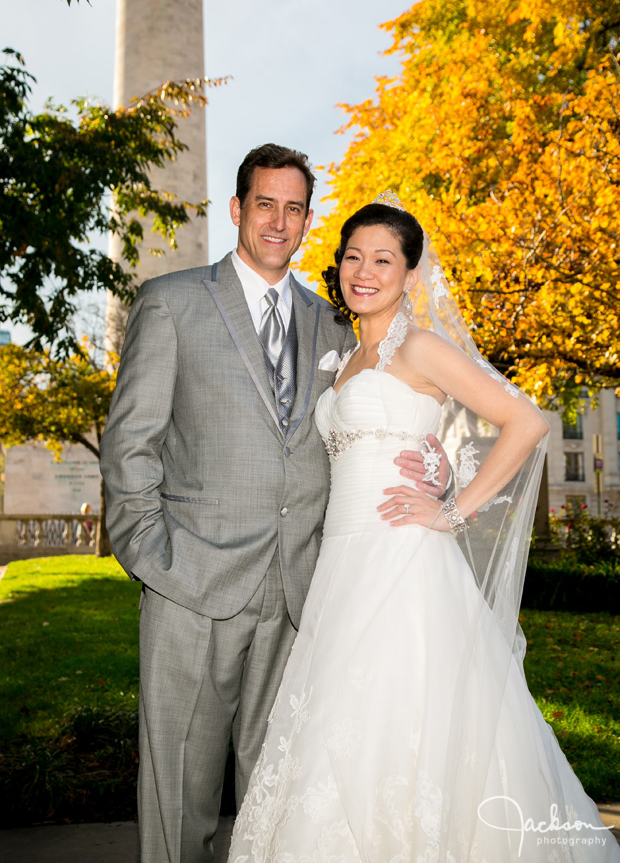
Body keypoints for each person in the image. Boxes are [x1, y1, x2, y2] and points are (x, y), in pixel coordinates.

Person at [227, 195, 620, 862]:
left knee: (407, 715)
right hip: (341, 567)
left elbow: (526, 423)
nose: (364, 270)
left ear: (411, 275)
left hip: (404, 562)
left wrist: (453, 506)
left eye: (384, 259)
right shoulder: (343, 359)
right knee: (338, 724)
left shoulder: (421, 346)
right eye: (353, 255)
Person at [99, 147, 445, 863]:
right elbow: (130, 443)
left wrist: (435, 466)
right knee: (178, 800)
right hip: (190, 583)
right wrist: (150, 557)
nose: (279, 221)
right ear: (237, 209)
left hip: (303, 597)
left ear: (308, 220)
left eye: (294, 208)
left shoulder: (335, 324)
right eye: (265, 204)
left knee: (279, 803)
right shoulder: (173, 303)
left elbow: (364, 430)